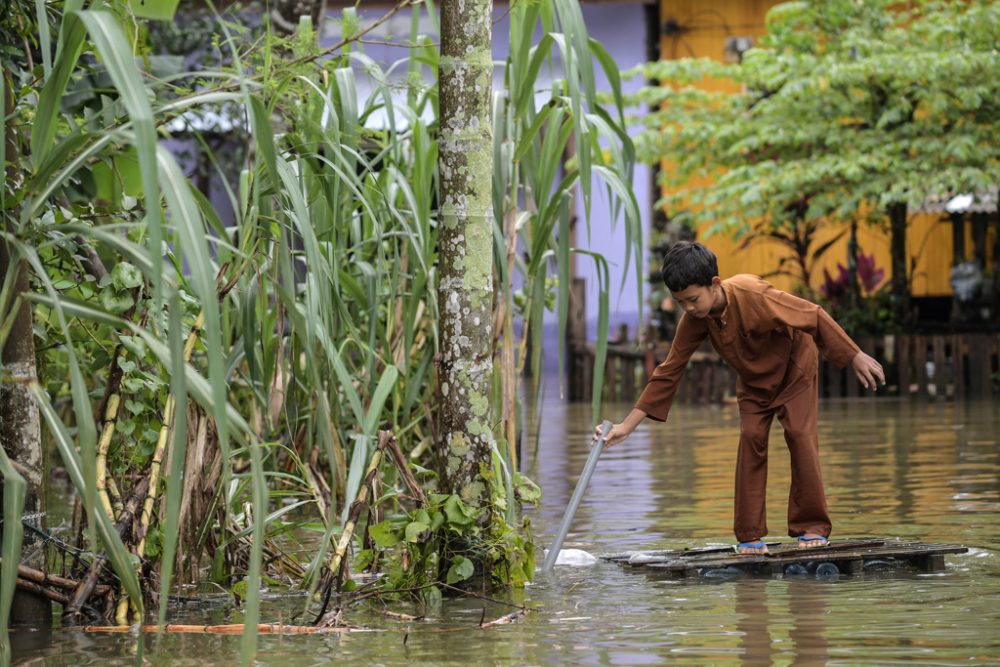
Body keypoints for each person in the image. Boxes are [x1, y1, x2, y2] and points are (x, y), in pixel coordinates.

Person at [597, 241, 885, 554]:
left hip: (794, 370)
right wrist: (626, 426)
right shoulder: (695, 319)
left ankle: (811, 527)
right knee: (751, 438)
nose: (689, 308)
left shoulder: (753, 294)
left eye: (693, 299)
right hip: (753, 381)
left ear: (715, 284)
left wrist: (853, 354)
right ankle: (749, 535)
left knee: (800, 436)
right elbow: (669, 371)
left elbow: (812, 315)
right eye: (681, 303)